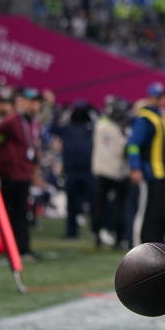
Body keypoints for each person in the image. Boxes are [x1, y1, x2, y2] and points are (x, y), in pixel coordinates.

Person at [0, 87, 42, 258]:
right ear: (23, 103)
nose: (35, 105)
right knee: (1, 212)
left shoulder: (35, 123)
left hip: (24, 174)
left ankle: (22, 248)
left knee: (22, 213)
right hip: (8, 174)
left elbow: (33, 147)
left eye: (37, 102)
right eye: (32, 102)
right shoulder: (9, 123)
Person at [126, 82, 165, 245]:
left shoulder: (162, 117)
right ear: (150, 98)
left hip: (162, 173)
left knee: (158, 214)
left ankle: (155, 247)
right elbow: (133, 144)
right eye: (157, 97)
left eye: (162, 97)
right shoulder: (145, 118)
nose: (160, 100)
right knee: (145, 213)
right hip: (150, 173)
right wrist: (135, 167)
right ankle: (139, 246)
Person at [52, 100, 97, 239]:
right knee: (72, 203)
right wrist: (60, 112)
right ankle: (72, 231)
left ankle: (96, 230)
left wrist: (93, 110)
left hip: (87, 171)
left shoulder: (91, 128)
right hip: (73, 171)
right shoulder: (68, 128)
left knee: (93, 203)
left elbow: (54, 127)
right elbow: (53, 128)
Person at [92, 95, 131, 248]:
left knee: (101, 204)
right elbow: (122, 149)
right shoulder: (119, 128)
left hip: (102, 169)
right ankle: (117, 236)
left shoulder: (100, 125)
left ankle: (98, 234)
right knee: (118, 206)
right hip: (118, 171)